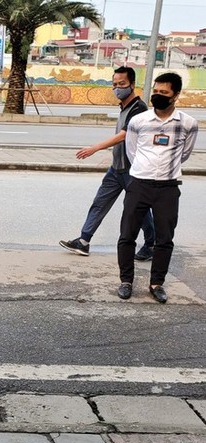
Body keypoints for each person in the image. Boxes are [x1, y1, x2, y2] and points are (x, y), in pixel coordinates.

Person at [116, 72, 198, 303]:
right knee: (127, 235)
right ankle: (126, 281)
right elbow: (132, 151)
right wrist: (145, 169)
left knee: (164, 239)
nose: (158, 96)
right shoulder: (139, 121)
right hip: (139, 185)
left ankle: (156, 283)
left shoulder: (188, 124)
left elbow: (185, 154)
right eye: (156, 91)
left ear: (176, 95)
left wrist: (164, 170)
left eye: (164, 93)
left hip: (168, 188)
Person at [60, 66, 155, 260]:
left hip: (133, 170)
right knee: (99, 203)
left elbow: (124, 135)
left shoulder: (139, 108)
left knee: (141, 210)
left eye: (122, 84)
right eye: (114, 84)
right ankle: (84, 241)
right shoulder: (123, 107)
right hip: (116, 169)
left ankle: (151, 245)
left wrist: (95, 148)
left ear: (132, 85)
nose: (117, 88)